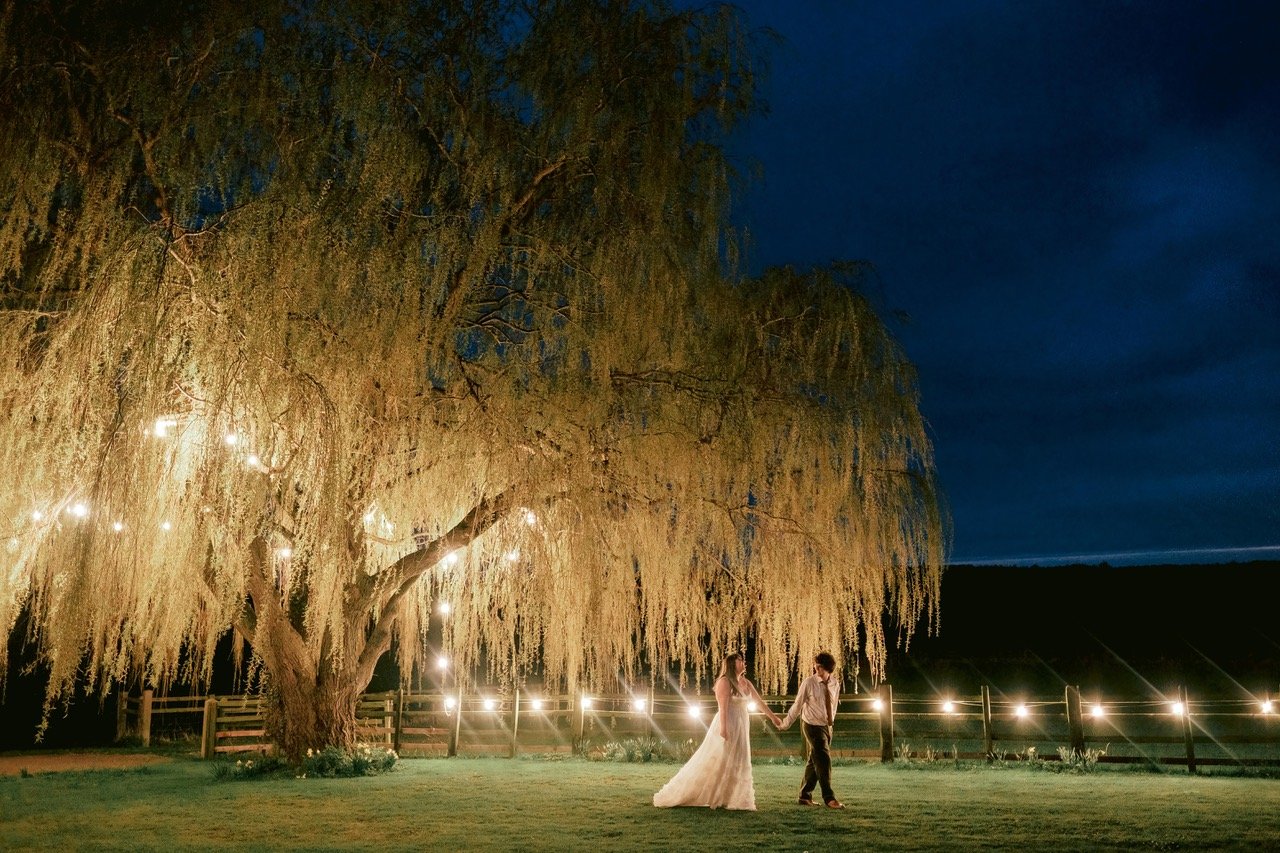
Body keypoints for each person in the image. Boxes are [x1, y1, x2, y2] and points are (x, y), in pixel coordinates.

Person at [653, 652, 781, 810]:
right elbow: (723, 707)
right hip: (728, 721)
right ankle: (708, 792)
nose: (744, 663)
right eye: (741, 660)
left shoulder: (745, 682)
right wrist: (724, 728)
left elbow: (758, 701)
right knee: (720, 758)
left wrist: (773, 717)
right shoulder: (725, 682)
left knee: (739, 759)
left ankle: (734, 796)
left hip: (742, 723)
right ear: (733, 664)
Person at [775, 651, 844, 809]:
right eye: (816, 666)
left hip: (826, 726)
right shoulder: (809, 683)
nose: (816, 669)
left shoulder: (834, 683)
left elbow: (832, 705)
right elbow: (797, 705)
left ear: (827, 669)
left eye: (819, 667)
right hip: (811, 725)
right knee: (824, 759)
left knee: (815, 761)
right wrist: (785, 724)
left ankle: (804, 795)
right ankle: (829, 798)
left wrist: (830, 722)